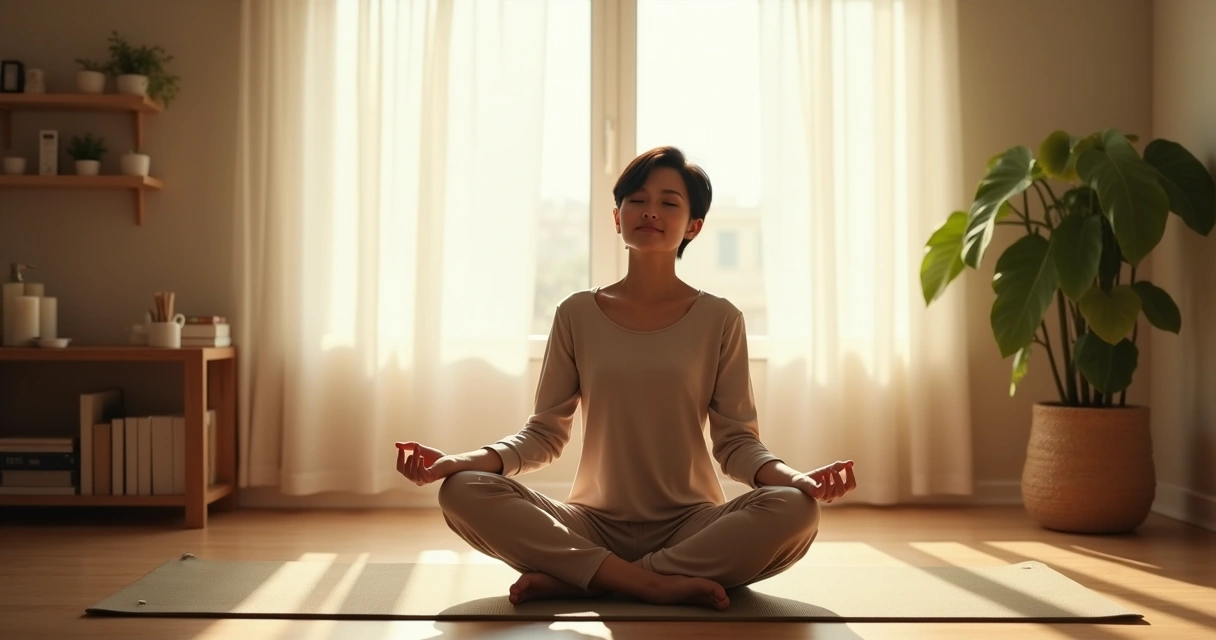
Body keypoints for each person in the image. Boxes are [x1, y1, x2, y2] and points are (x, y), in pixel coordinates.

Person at [396, 146, 857, 611]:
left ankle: (590, 577)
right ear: (617, 217)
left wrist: (798, 479)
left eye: (669, 202)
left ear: (692, 226)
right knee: (462, 490)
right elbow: (543, 436)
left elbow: (737, 444)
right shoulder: (576, 313)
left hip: (693, 527)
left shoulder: (721, 318)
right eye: (637, 199)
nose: (651, 211)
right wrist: (458, 461)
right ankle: (652, 583)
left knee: (795, 508)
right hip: (591, 524)